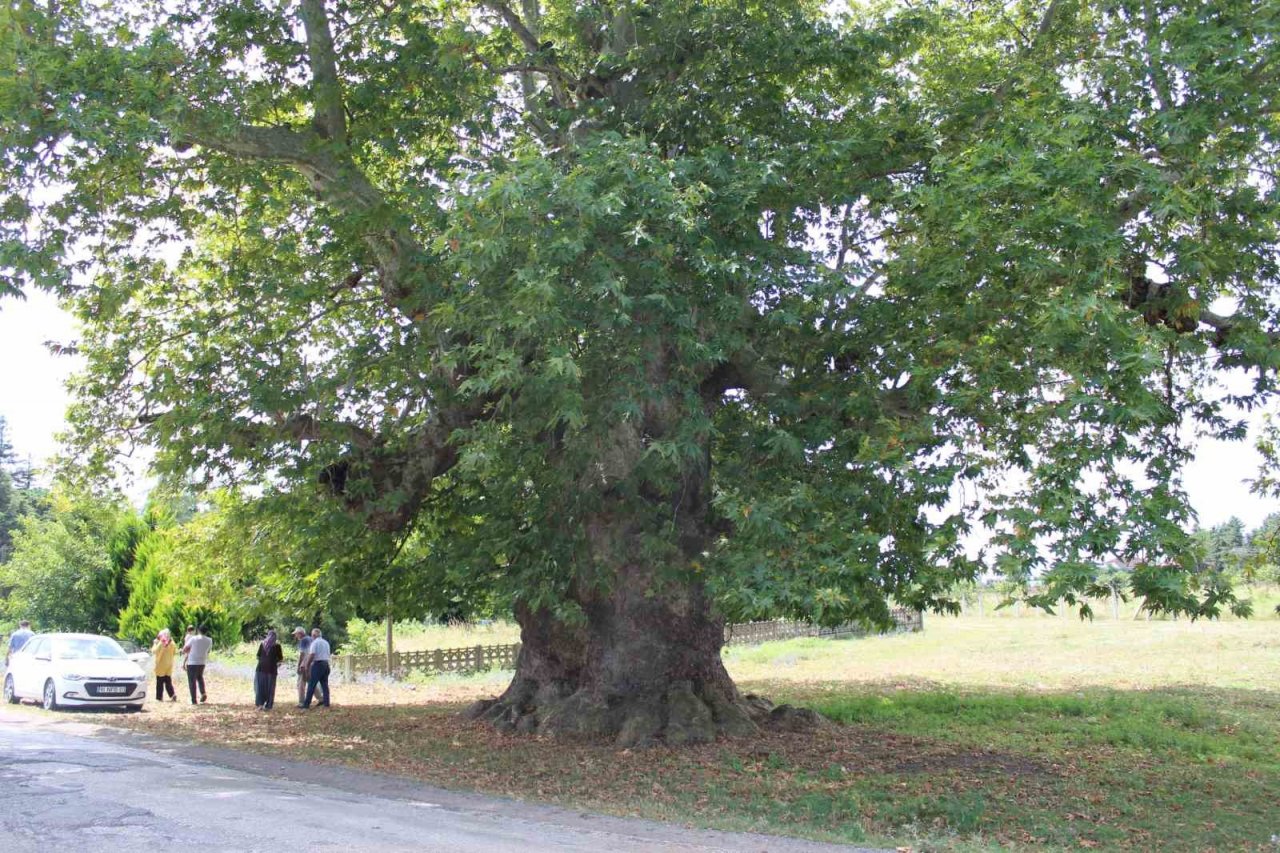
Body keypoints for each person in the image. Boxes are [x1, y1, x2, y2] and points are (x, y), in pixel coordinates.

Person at [299, 627, 330, 710]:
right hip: (326, 664)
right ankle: (326, 703)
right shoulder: (326, 642)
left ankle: (306, 704)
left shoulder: (315, 643)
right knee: (325, 685)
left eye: (312, 635)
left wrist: (307, 665)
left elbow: (312, 655)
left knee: (311, 684)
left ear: (314, 635)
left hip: (318, 664)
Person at [254, 628, 284, 711]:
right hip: (271, 670)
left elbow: (258, 656)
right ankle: (268, 706)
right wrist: (276, 663)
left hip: (260, 669)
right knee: (270, 688)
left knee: (260, 687)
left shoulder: (262, 644)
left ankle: (260, 704)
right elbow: (280, 659)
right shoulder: (277, 646)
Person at [184, 625, 213, 705]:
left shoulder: (193, 638)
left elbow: (185, 649)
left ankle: (193, 700)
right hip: (202, 662)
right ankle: (203, 692)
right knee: (199, 677)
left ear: (198, 630)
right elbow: (208, 651)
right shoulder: (209, 640)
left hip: (192, 662)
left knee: (191, 681)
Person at [150, 628, 177, 701]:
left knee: (160, 682)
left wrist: (155, 643)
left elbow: (154, 651)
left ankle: (159, 697)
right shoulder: (172, 642)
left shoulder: (162, 642)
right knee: (168, 680)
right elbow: (175, 652)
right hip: (169, 664)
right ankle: (172, 694)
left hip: (161, 664)